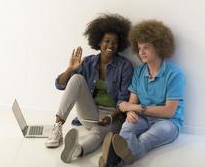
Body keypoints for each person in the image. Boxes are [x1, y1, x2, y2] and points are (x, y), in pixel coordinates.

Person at [45, 14, 134, 163]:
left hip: (113, 117)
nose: (111, 45)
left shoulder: (125, 67)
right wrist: (70, 69)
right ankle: (57, 127)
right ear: (99, 42)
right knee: (76, 78)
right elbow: (60, 85)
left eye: (115, 42)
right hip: (90, 113)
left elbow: (124, 101)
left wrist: (111, 117)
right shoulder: (88, 63)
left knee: (99, 133)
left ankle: (77, 149)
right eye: (107, 41)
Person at [99, 20, 185, 167]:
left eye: (146, 48)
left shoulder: (174, 74)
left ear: (159, 47)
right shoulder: (139, 72)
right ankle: (118, 159)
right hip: (143, 118)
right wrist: (129, 113)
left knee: (146, 138)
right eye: (139, 48)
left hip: (168, 123)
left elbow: (169, 111)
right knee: (126, 127)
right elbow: (131, 102)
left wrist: (136, 108)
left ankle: (114, 161)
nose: (141, 52)